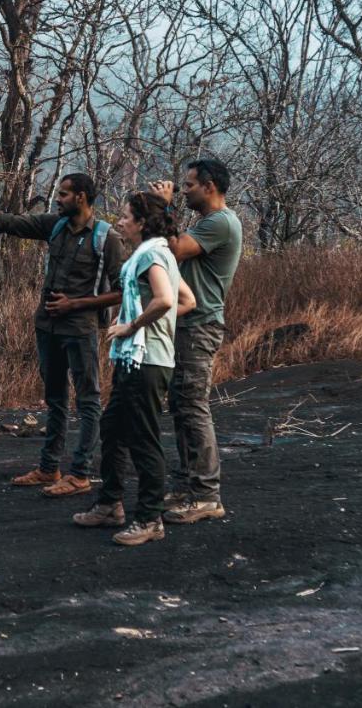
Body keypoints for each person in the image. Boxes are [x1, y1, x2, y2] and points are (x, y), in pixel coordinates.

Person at [0, 174, 125, 497]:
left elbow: (121, 291)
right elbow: (4, 222)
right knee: (55, 399)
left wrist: (76, 303)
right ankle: (49, 468)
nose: (57, 199)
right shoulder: (54, 226)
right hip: (48, 327)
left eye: (64, 194)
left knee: (88, 400)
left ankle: (81, 473)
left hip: (80, 329)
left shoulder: (106, 238)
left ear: (82, 197)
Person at [73, 192, 195, 546]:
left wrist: (133, 325)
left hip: (149, 360)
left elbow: (167, 300)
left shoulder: (153, 255)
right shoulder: (157, 254)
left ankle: (149, 518)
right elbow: (187, 301)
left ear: (142, 223)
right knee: (112, 428)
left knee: (143, 438)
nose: (121, 222)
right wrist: (154, 321)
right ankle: (111, 503)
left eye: (126, 217)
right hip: (136, 359)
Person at [149, 159, 242, 525]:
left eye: (189, 186)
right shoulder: (209, 222)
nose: (184, 190)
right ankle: (190, 485)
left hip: (200, 326)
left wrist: (164, 206)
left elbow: (172, 249)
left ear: (210, 186)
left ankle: (206, 495)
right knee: (182, 406)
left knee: (192, 406)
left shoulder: (220, 222)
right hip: (187, 325)